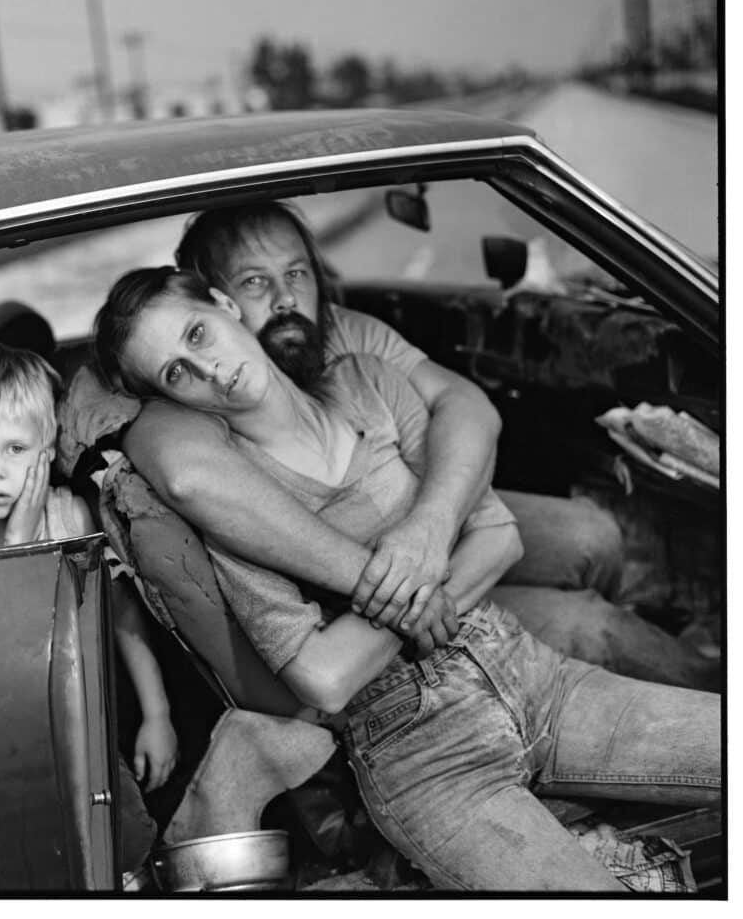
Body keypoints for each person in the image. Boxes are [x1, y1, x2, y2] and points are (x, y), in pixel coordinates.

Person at [92, 266, 720, 892]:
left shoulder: (368, 382)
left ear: (227, 305)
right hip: (418, 746)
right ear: (171, 400)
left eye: (198, 334)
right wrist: (421, 596)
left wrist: (422, 542)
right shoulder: (235, 506)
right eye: (177, 373)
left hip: (531, 669)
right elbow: (322, 677)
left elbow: (502, 538)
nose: (207, 369)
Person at [120, 202, 715, 689]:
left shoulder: (349, 334)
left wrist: (432, 526)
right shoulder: (195, 389)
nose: (285, 299)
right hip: (373, 605)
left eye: (297, 273)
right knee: (591, 628)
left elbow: (467, 406)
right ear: (215, 297)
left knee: (595, 536)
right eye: (255, 281)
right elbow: (181, 470)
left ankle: (623, 660)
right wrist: (409, 590)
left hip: (440, 527)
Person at [0, 341, 178, 877]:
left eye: (16, 449)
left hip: (83, 728)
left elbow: (121, 614)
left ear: (47, 447)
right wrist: (18, 541)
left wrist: (157, 713)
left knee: (124, 841)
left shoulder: (72, 515)